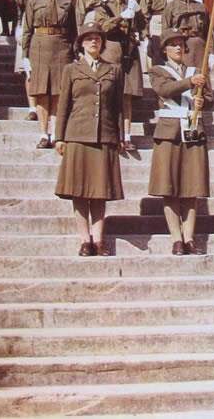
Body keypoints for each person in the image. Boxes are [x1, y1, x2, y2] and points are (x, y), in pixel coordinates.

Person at [55, 21, 125, 256]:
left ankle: (99, 240)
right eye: (88, 38)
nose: (93, 41)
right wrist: (59, 137)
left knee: (99, 190)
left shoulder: (114, 70)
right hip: (77, 135)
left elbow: (118, 108)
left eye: (97, 38)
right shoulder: (71, 70)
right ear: (81, 44)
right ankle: (84, 239)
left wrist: (119, 136)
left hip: (104, 135)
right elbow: (63, 105)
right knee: (79, 191)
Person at [148, 29, 211, 255]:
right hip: (169, 133)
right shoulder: (157, 70)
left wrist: (203, 101)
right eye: (172, 44)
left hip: (193, 131)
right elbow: (164, 89)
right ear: (164, 49)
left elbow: (210, 98)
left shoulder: (198, 70)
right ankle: (176, 238)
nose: (177, 48)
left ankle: (189, 236)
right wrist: (190, 82)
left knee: (191, 187)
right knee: (170, 187)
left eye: (180, 44)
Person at [22, 0, 77, 148]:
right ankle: (43, 134)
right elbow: (27, 30)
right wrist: (25, 57)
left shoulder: (68, 3)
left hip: (62, 49)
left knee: (59, 94)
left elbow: (73, 31)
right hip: (39, 48)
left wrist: (75, 53)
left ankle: (55, 133)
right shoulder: (33, 2)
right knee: (42, 93)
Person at [95, 0, 144, 152]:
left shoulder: (131, 4)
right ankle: (111, 134)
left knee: (127, 96)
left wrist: (137, 14)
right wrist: (120, 17)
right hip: (111, 49)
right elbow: (102, 27)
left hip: (129, 50)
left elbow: (142, 25)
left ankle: (127, 136)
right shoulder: (103, 7)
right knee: (110, 94)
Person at [13, 0, 52, 120]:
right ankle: (32, 108)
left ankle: (45, 105)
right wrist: (20, 28)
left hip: (49, 25)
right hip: (28, 23)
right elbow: (19, 3)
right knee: (28, 67)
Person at [162, 0, 214, 72]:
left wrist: (212, 53)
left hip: (200, 49)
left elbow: (209, 33)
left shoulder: (201, 7)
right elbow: (165, 33)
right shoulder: (170, 7)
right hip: (181, 49)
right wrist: (167, 54)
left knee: (202, 82)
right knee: (185, 82)